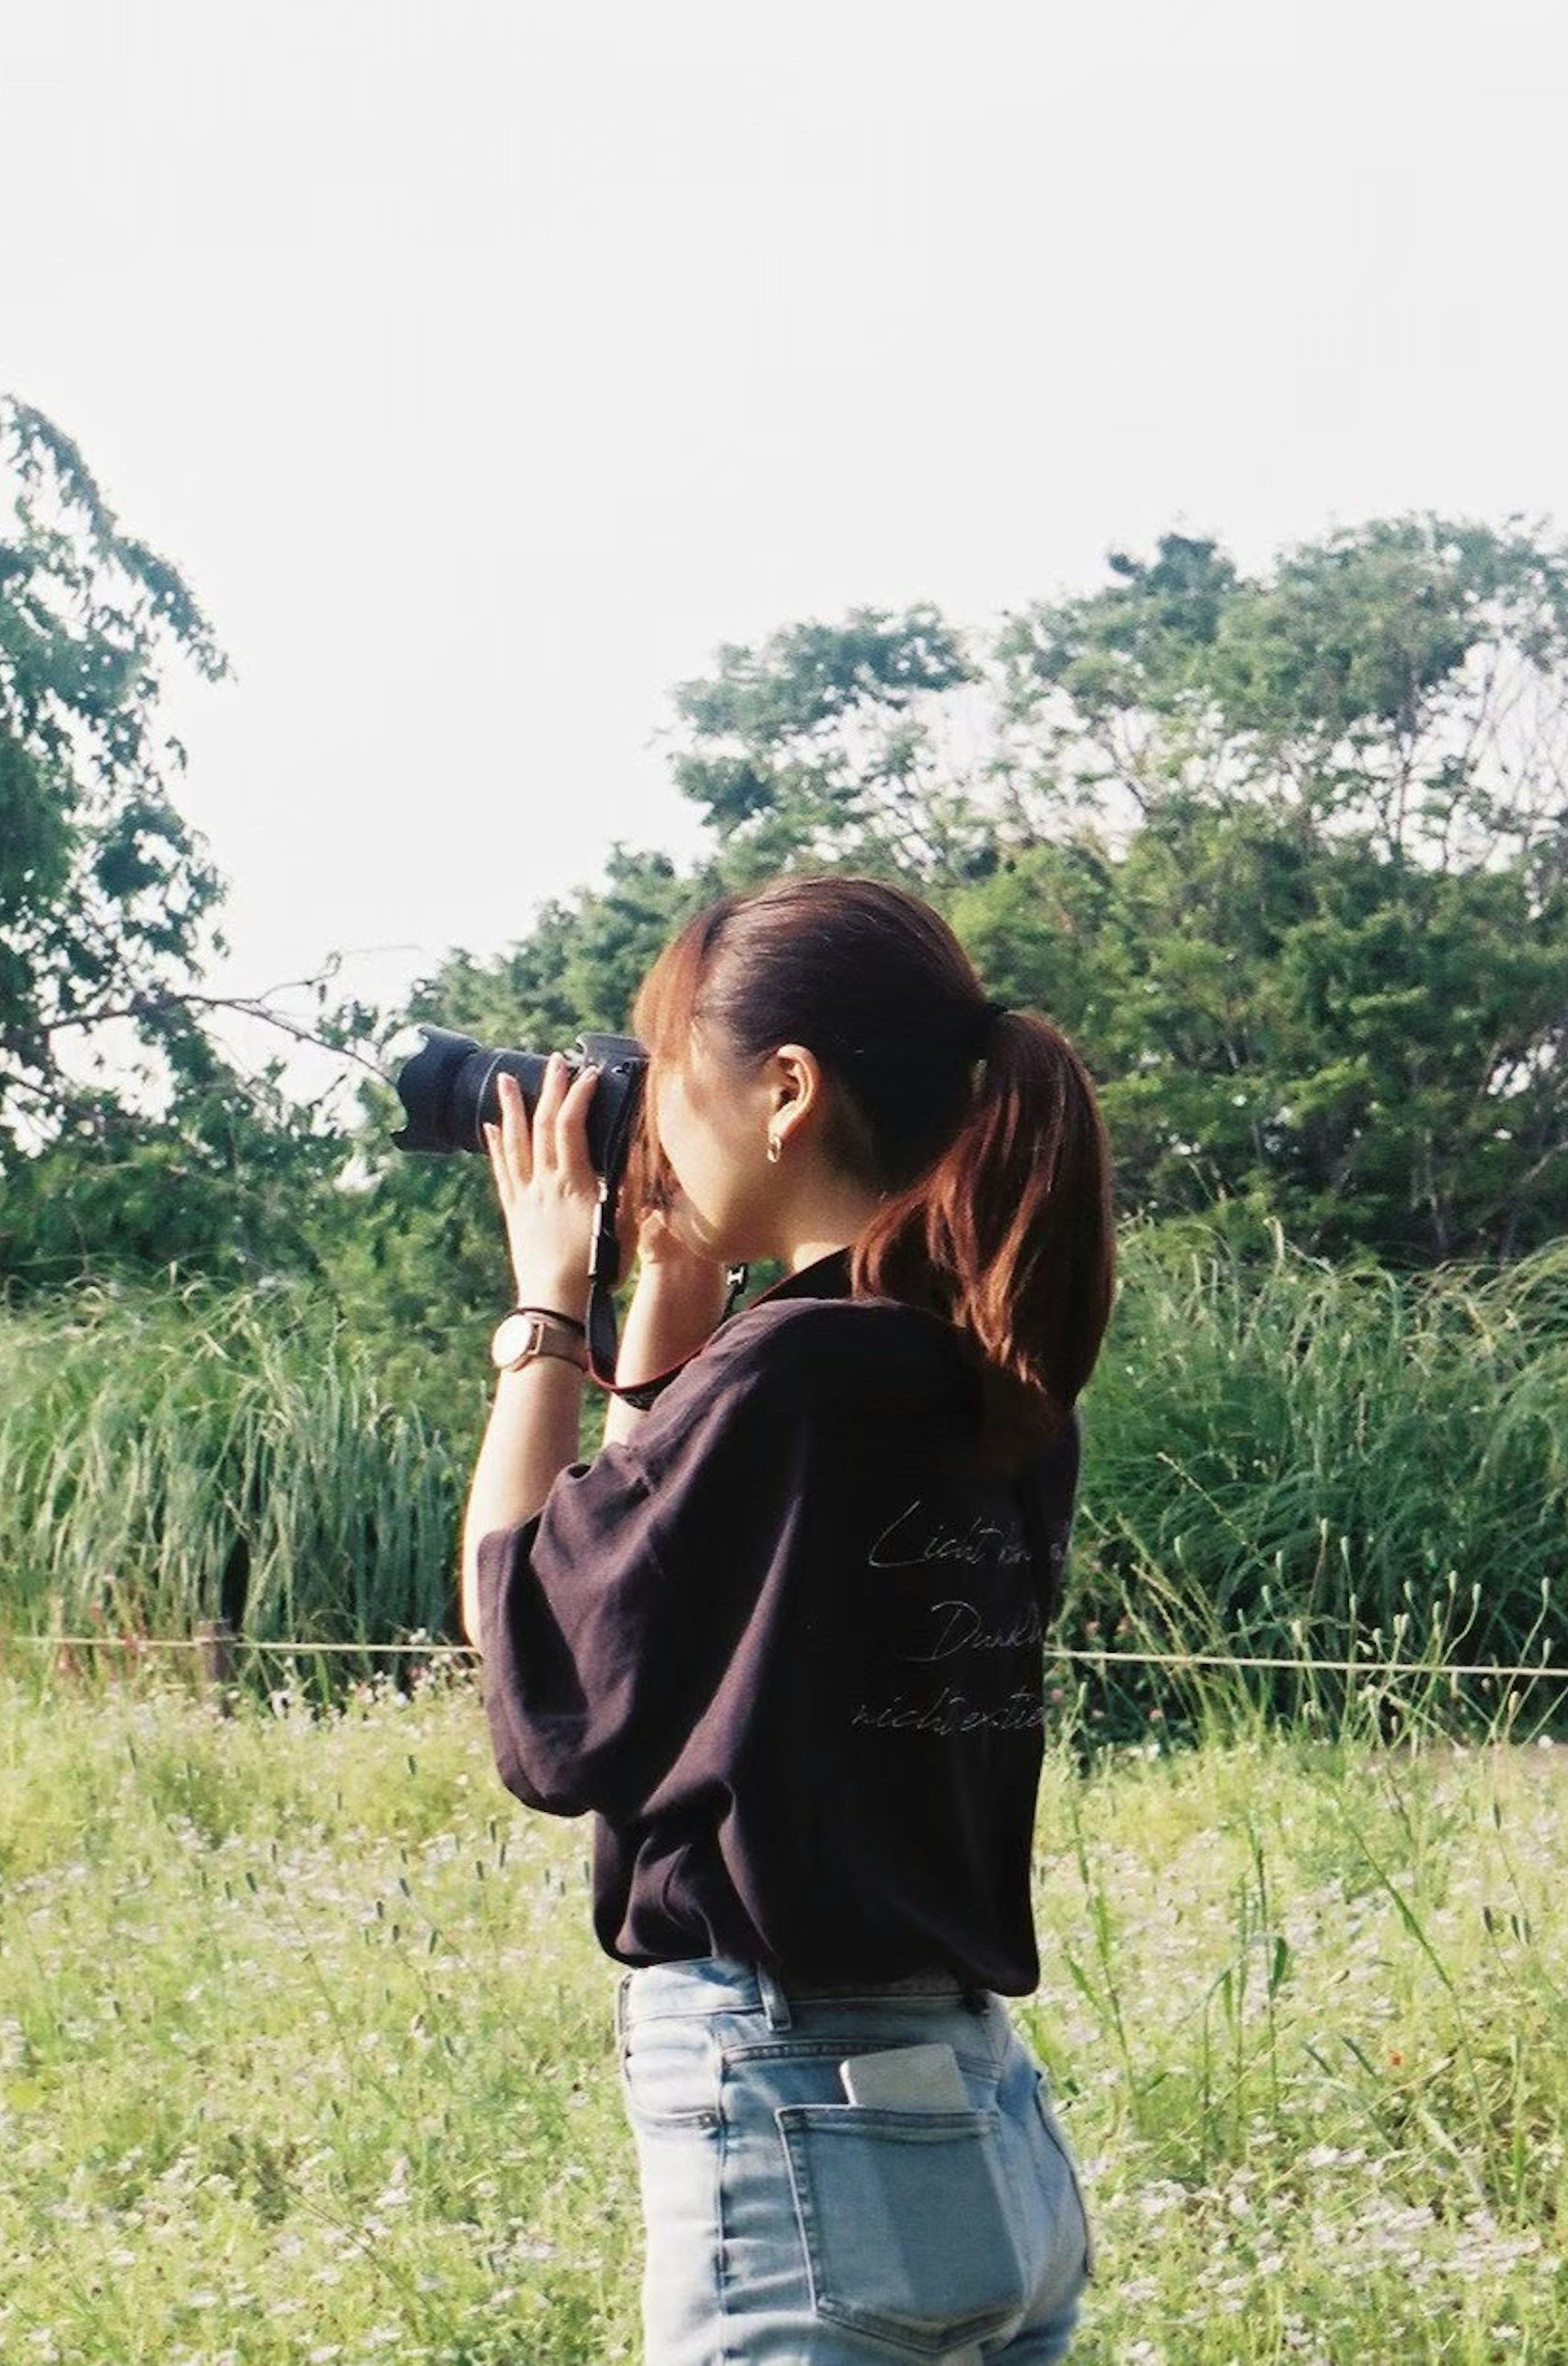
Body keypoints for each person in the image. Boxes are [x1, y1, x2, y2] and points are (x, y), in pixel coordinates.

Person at [456, 873, 1117, 2364]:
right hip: (979, 2115)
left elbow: (541, 1666)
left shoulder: (788, 1383)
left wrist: (548, 1303)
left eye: (667, 1071)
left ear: (788, 1091)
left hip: (798, 2113)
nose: (652, 1123)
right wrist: (676, 1286)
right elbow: (658, 1603)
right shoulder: (981, 1378)